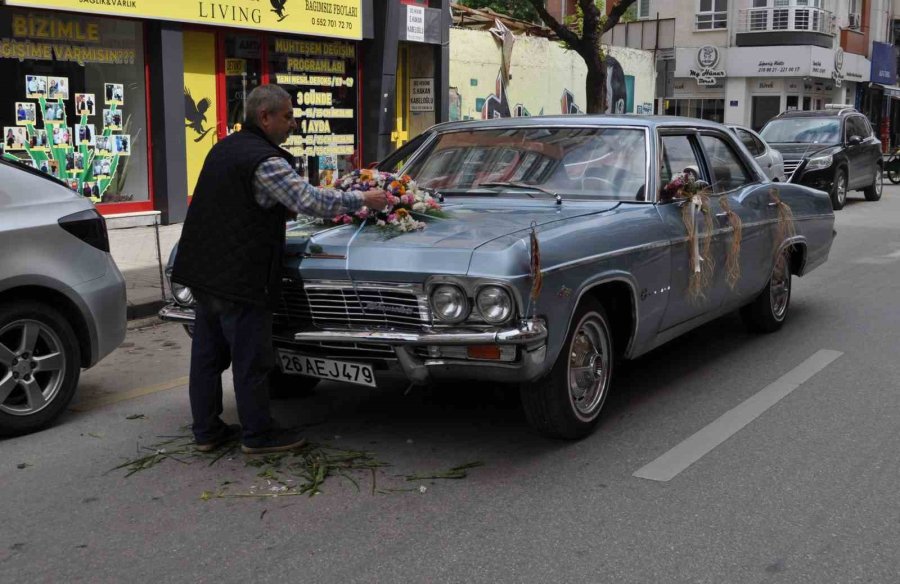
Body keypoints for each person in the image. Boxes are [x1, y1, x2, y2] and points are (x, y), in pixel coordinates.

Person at [171, 84, 389, 454]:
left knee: (207, 358)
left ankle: (206, 431)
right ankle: (258, 435)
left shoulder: (224, 148)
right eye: (287, 116)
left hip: (204, 270)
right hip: (241, 277)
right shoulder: (266, 159)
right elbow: (310, 200)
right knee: (251, 359)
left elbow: (237, 201)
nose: (293, 122)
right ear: (265, 117)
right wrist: (363, 199)